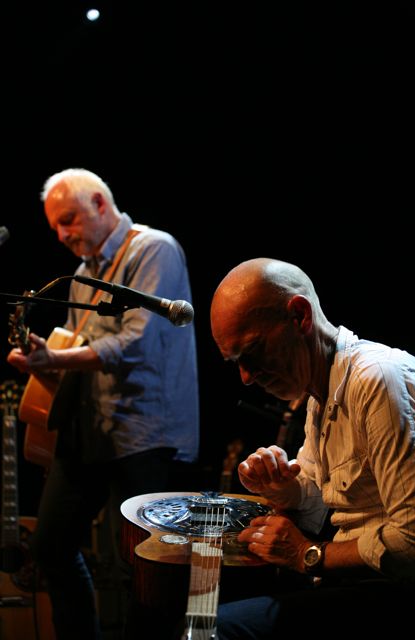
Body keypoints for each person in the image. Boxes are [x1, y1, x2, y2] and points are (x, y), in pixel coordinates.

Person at [7, 168, 199, 639]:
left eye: (68, 220)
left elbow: (138, 341)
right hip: (90, 432)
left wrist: (57, 357)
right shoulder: (81, 274)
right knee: (49, 547)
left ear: (98, 203)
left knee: (142, 569)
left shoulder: (153, 249)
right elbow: (81, 350)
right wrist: (43, 359)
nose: (62, 234)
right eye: (55, 226)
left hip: (143, 434)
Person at [210, 257, 415, 637]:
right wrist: (287, 489)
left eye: (252, 351)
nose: (245, 377)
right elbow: (321, 505)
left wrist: (307, 554)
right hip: (357, 585)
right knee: (201, 602)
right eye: (235, 362)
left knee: (216, 629)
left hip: (402, 594)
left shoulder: (378, 380)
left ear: (299, 316)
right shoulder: (318, 392)